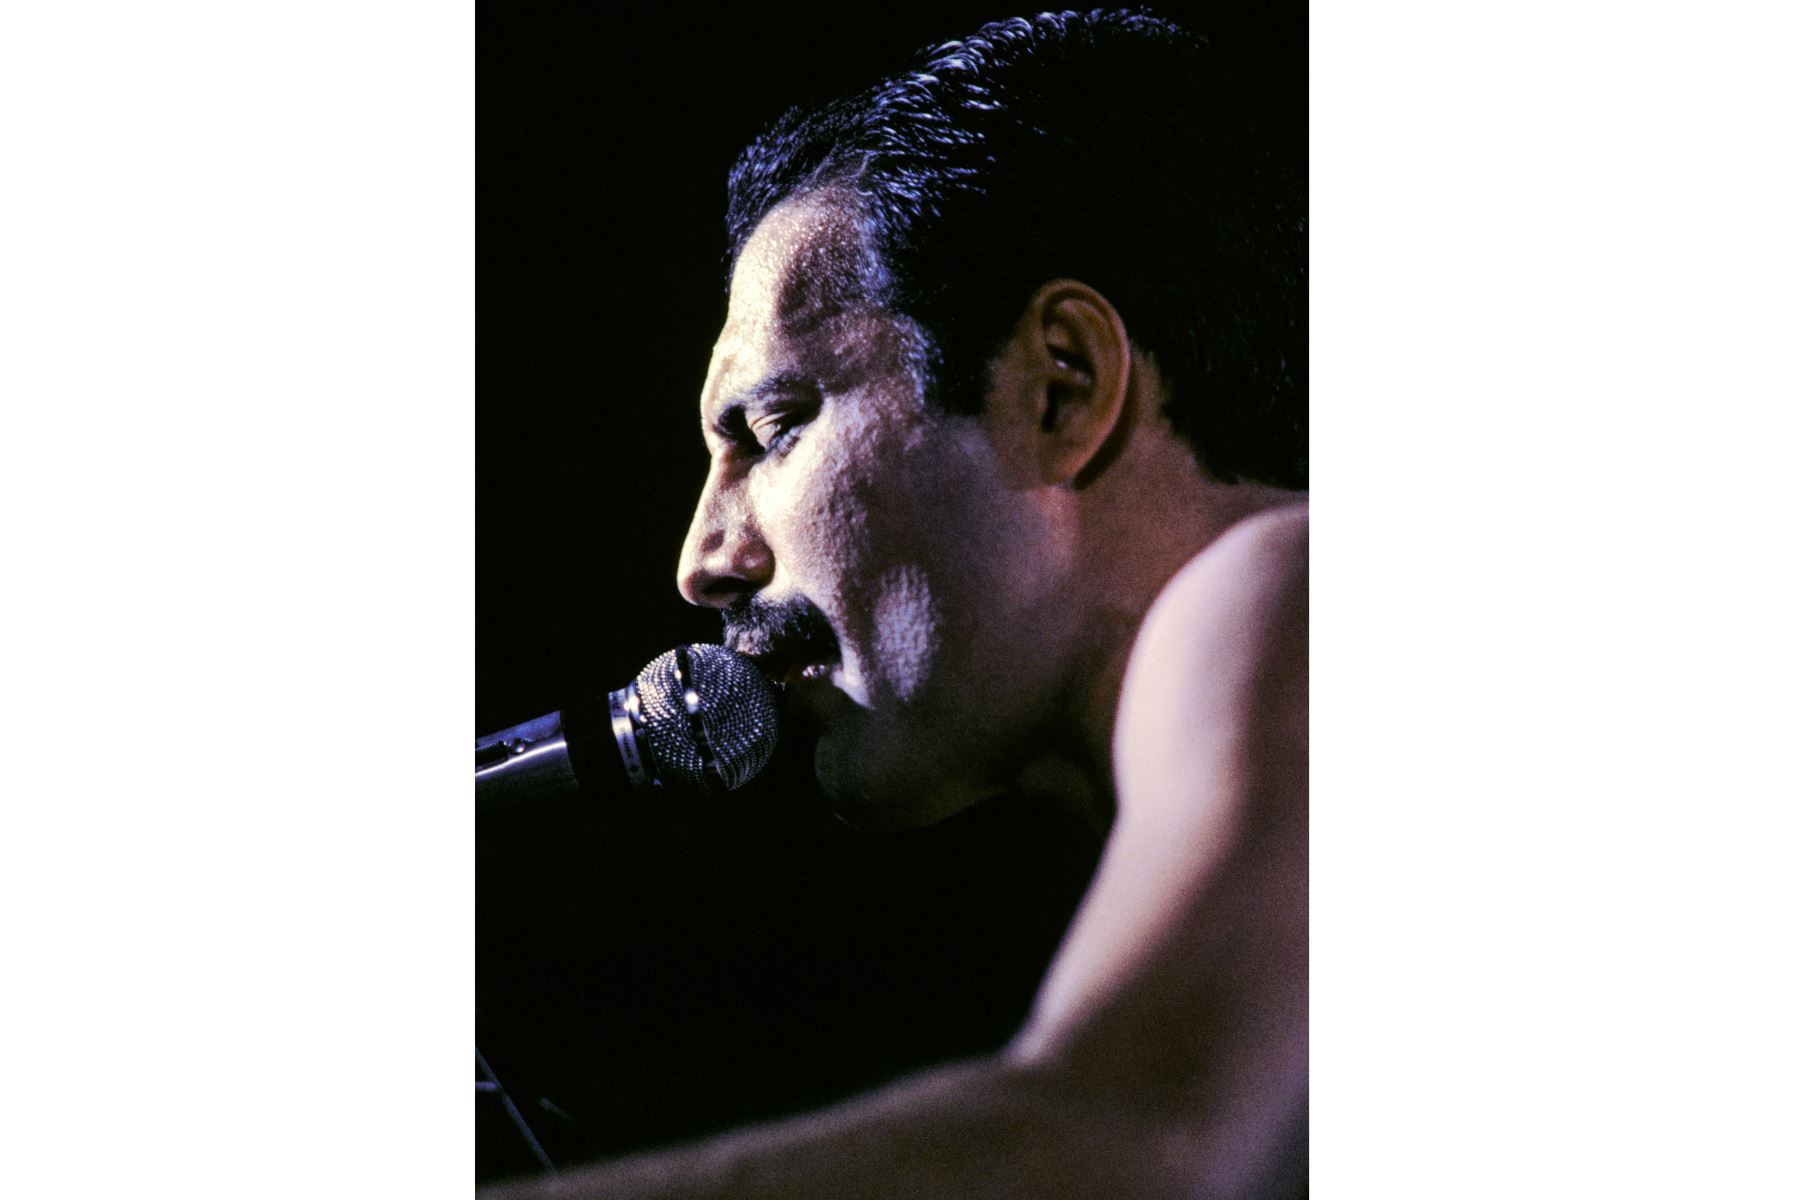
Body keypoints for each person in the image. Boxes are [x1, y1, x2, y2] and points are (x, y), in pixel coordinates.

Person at [490, 9, 1306, 1197]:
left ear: (1060, 386)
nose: (702, 561)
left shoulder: (1282, 582)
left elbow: (1129, 1150)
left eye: (772, 430)